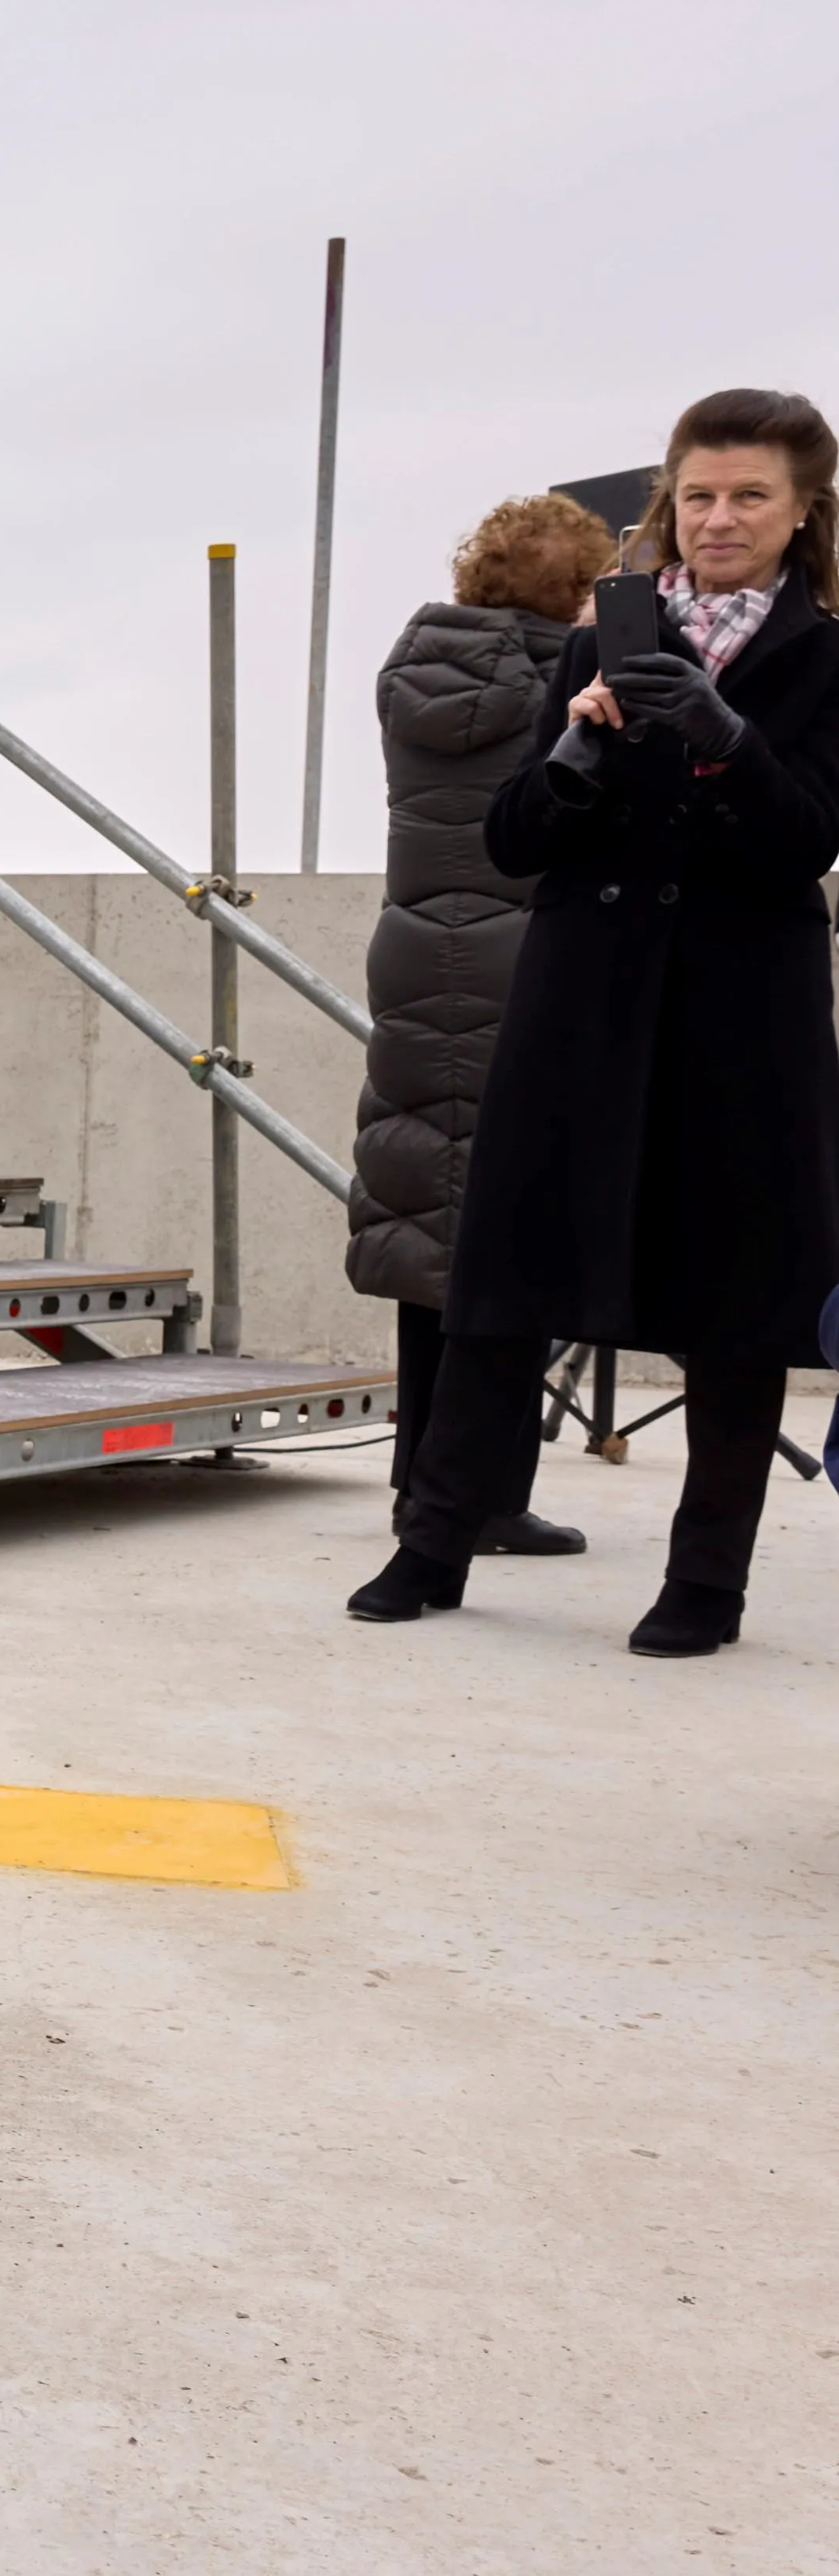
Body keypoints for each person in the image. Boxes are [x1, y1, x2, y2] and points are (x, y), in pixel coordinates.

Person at [349, 389, 839, 1656]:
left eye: (748, 497)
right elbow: (512, 835)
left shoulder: (828, 656)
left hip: (743, 1017)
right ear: (664, 507)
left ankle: (704, 1584)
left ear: (799, 513)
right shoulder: (591, 644)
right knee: (505, 1274)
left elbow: (808, 839)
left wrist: (721, 736)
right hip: (581, 999)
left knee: (733, 1295)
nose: (718, 519)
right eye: (697, 495)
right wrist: (569, 758)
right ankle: (433, 1539)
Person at [343, 491, 617, 1560]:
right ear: (569, 593)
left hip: (415, 960)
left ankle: (423, 1489)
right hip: (524, 962)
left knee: (430, 1237)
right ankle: (483, 1497)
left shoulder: (414, 672)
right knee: (511, 1243)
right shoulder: (566, 681)